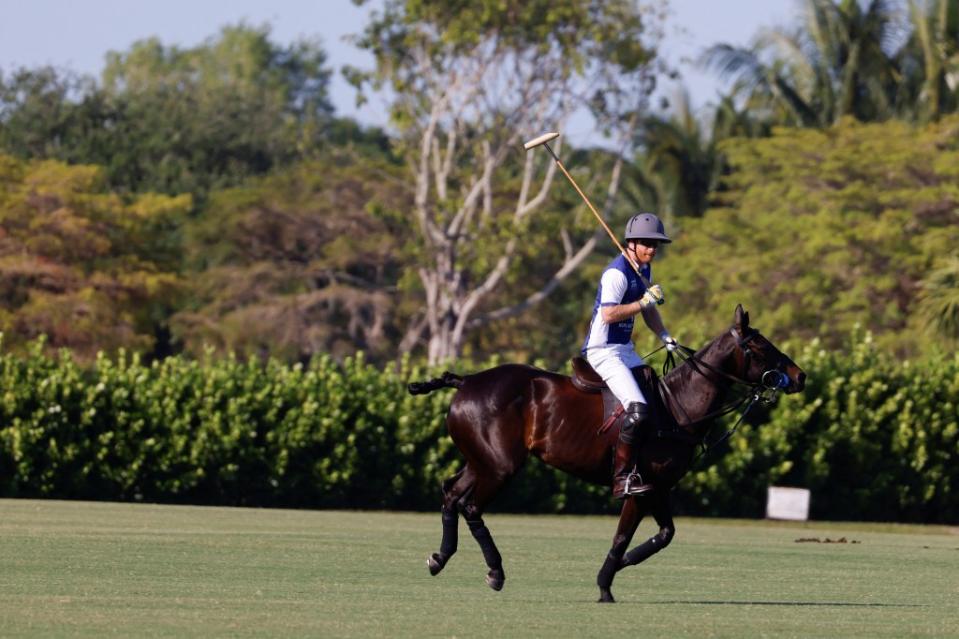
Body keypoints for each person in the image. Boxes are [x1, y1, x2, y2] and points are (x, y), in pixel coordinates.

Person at [581, 212, 677, 499]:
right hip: (603, 351)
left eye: (655, 244)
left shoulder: (642, 271)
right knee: (638, 408)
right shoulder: (617, 273)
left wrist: (664, 335)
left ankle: (644, 463)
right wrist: (643, 300)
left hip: (625, 350)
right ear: (632, 243)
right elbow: (609, 314)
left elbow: (648, 310)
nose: (652, 249)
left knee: (656, 395)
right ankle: (621, 478)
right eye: (646, 243)